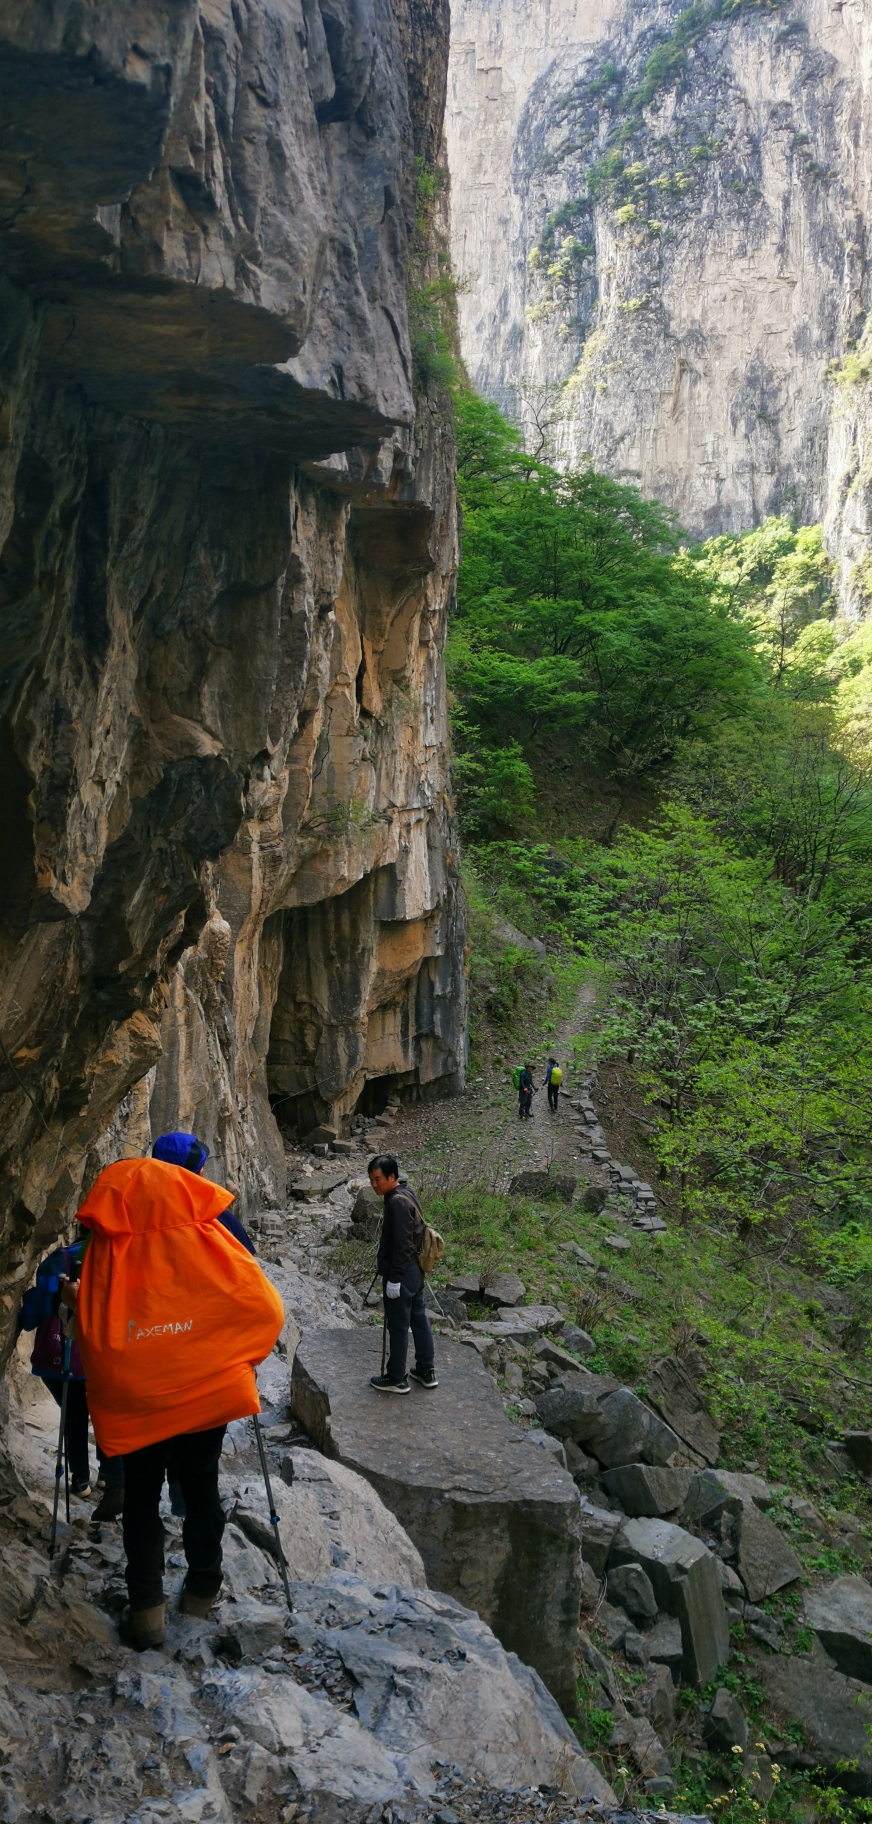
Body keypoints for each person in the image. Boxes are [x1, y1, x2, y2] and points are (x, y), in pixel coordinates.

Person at [70, 1131, 283, 1651]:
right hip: (204, 1388)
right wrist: (239, 1353)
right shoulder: (212, 1221)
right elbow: (259, 1297)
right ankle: (202, 1589)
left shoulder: (108, 1233)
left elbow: (90, 1313)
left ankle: (147, 1614)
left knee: (141, 1497)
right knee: (202, 1485)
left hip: (138, 1392)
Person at [17, 1237, 125, 1518]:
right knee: (106, 1409)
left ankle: (80, 1479)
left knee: (74, 1412)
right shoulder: (123, 1255)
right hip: (103, 1354)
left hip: (60, 1358)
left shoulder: (60, 1261)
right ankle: (111, 1472)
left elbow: (33, 1313)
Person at [368, 1154, 437, 1394]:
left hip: (403, 1273)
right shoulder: (406, 1193)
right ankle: (426, 1371)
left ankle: (397, 1378)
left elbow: (402, 1243)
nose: (374, 1185)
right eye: (371, 1180)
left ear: (392, 1176)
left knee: (398, 1326)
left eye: (378, 1179)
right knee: (418, 1318)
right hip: (416, 1271)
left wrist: (394, 1279)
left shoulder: (396, 1203)